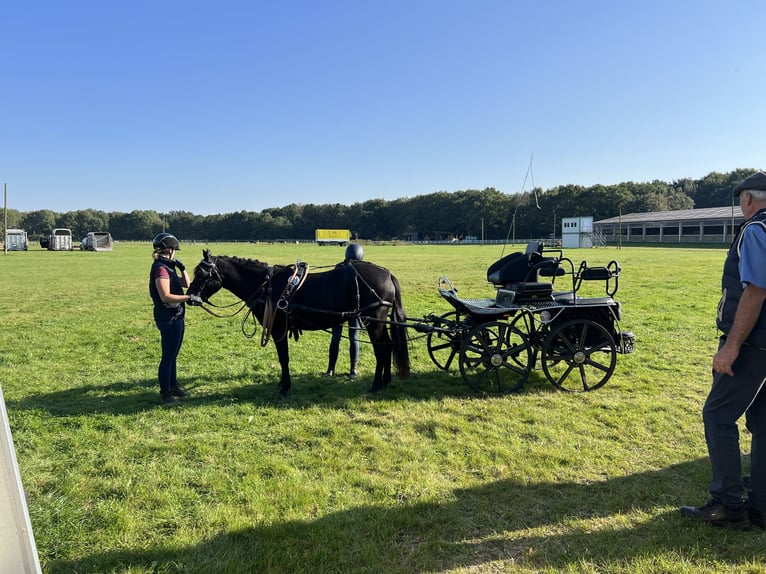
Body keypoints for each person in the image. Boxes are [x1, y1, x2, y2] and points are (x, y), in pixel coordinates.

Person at [680, 171, 766, 529]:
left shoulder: (755, 230)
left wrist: (731, 348)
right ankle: (761, 505)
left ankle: (728, 505)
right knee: (763, 422)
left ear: (747, 199)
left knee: (717, 416)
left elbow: (756, 291)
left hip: (755, 345)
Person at [149, 233, 194, 406]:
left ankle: (174, 386)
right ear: (170, 249)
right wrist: (187, 298)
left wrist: (182, 268)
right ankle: (165, 393)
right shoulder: (161, 269)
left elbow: (186, 284)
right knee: (168, 357)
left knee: (173, 355)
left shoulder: (168, 267)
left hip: (177, 315)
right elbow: (165, 296)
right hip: (168, 317)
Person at [324, 243, 364, 379]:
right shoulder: (356, 269)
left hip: (343, 309)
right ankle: (348, 369)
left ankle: (334, 369)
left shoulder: (339, 267)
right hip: (347, 309)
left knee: (341, 338)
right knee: (350, 338)